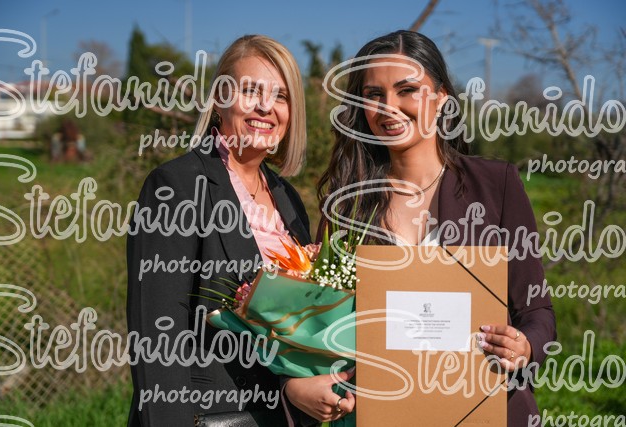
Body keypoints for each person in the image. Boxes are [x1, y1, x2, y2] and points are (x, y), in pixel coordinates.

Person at [293, 30, 556, 427]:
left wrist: (525, 345)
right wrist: (298, 384)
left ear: (441, 98)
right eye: (374, 94)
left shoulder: (496, 185)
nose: (389, 108)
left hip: (486, 409)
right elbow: (320, 321)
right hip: (383, 413)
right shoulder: (346, 203)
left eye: (407, 90)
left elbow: (536, 310)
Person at [126, 34, 311, 427]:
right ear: (220, 100)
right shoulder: (175, 185)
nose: (265, 106)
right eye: (250, 90)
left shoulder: (289, 199)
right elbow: (157, 334)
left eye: (280, 96)